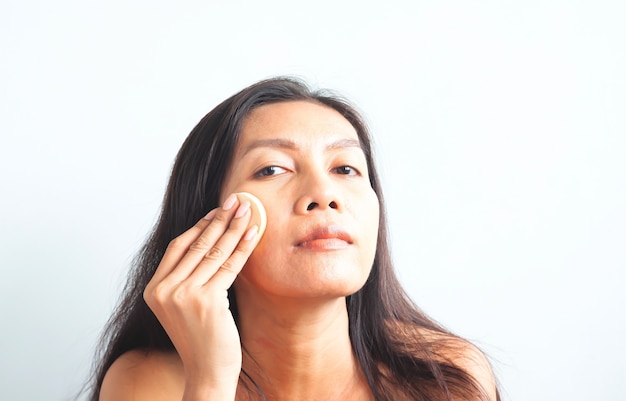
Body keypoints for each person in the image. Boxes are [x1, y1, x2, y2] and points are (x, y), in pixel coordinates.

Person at [87, 77, 500, 401]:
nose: (325, 194)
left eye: (346, 169)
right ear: (206, 219)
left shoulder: (446, 379)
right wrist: (210, 382)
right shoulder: (146, 385)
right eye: (272, 169)